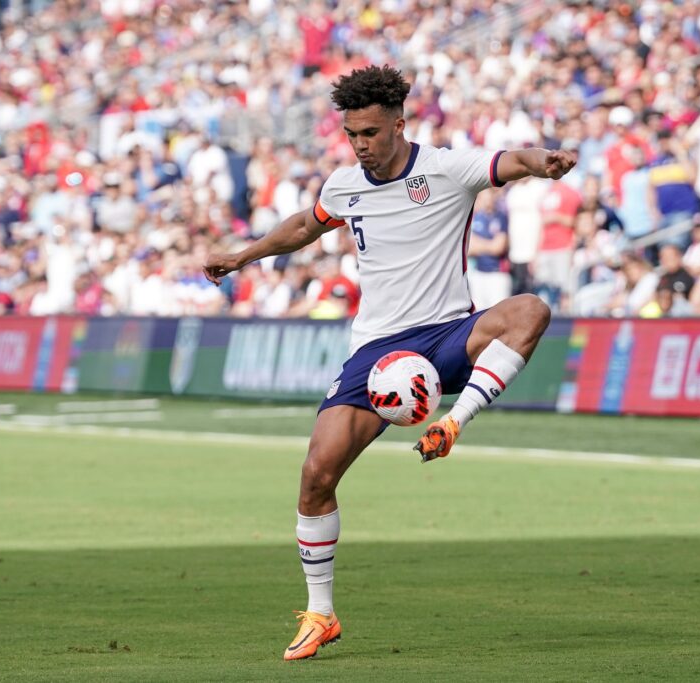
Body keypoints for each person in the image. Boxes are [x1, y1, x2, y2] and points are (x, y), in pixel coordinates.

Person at [201, 65, 576, 661]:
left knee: (530, 309)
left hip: (450, 334)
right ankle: (321, 614)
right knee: (316, 475)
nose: (361, 145)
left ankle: (455, 420)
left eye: (371, 133)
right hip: (376, 349)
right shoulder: (345, 185)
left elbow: (509, 161)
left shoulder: (446, 169)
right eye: (352, 134)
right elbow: (304, 226)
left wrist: (544, 161)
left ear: (399, 124)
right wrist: (241, 257)